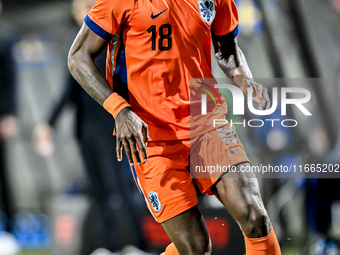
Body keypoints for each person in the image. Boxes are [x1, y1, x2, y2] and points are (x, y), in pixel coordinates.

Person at [68, 0, 281, 254]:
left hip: (206, 120)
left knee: (254, 216)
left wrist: (246, 81)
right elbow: (78, 57)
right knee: (195, 248)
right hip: (152, 137)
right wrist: (119, 109)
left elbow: (227, 48)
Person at [34, 0, 145, 253]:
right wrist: (48, 124)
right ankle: (109, 246)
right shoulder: (78, 42)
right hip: (86, 129)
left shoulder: (112, 37)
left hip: (113, 125)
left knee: (122, 187)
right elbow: (69, 89)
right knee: (99, 190)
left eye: (86, 6)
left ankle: (137, 244)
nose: (81, 12)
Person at [0, 0, 18, 233]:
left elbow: (11, 81)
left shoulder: (4, 35)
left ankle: (11, 225)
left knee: (3, 172)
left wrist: (8, 115)